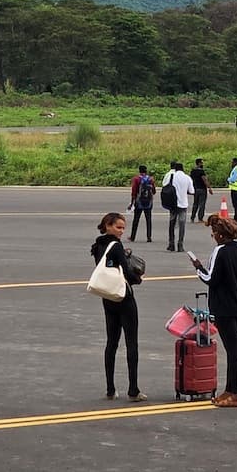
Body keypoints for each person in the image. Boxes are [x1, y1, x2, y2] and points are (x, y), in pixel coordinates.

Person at [191, 214, 237, 408]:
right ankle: (229, 390)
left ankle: (235, 394)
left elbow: (210, 279)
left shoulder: (220, 251)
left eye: (214, 234)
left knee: (232, 352)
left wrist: (198, 267)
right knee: (233, 351)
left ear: (220, 235)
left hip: (224, 309)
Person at [90, 212, 146, 401]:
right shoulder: (116, 245)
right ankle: (133, 390)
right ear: (108, 225)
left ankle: (110, 388)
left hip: (108, 297)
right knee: (131, 343)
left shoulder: (98, 245)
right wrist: (138, 278)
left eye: (123, 228)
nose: (121, 231)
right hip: (124, 298)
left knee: (111, 343)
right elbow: (127, 272)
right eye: (118, 227)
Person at [162, 161, 194, 253]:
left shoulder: (171, 176)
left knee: (172, 223)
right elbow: (192, 191)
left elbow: (165, 186)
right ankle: (180, 245)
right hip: (183, 204)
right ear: (183, 169)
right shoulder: (187, 178)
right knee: (182, 224)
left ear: (175, 169)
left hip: (173, 203)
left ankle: (171, 243)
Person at [128, 165, 155, 244]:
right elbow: (154, 191)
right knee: (148, 219)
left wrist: (132, 203)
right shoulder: (151, 179)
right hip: (148, 202)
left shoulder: (136, 179)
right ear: (146, 171)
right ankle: (149, 237)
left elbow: (134, 192)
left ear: (139, 171)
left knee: (136, 219)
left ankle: (133, 237)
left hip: (139, 202)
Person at [190, 158, 213, 223]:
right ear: (199, 163)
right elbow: (205, 180)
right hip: (202, 189)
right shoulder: (201, 171)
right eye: (202, 163)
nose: (203, 164)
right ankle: (200, 218)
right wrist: (209, 188)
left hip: (195, 189)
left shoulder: (193, 171)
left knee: (195, 204)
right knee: (202, 204)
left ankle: (192, 217)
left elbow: (190, 179)